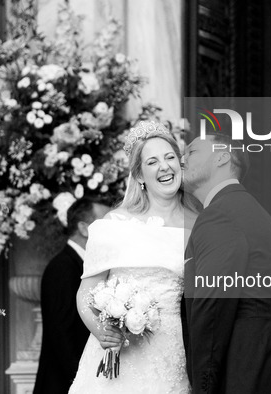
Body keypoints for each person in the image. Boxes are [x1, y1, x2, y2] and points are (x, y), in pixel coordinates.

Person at [68, 121, 197, 393]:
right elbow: (85, 293)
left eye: (170, 157)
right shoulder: (113, 225)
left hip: (173, 355)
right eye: (152, 162)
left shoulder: (199, 225)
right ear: (139, 175)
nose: (164, 166)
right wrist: (102, 331)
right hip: (118, 359)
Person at [182, 133, 271, 394]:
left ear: (222, 157)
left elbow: (212, 307)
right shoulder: (248, 208)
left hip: (244, 365)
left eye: (191, 152)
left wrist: (202, 385)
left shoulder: (220, 214)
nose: (182, 159)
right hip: (269, 359)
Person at [34, 198, 109, 394]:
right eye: (105, 223)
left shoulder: (91, 267)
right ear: (84, 228)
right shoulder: (62, 267)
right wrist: (82, 380)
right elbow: (60, 333)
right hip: (64, 383)